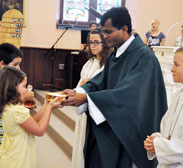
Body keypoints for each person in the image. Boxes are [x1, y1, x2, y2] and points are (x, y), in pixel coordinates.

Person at [60, 7, 167, 168]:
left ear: (124, 29)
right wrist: (79, 92)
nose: (104, 37)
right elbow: (100, 81)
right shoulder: (116, 54)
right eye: (103, 32)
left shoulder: (144, 57)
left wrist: (87, 99)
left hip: (131, 128)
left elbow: (130, 94)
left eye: (108, 32)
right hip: (115, 121)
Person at [0, 67, 61, 168]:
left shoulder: (10, 106)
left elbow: (30, 122)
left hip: (9, 155)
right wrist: (49, 108)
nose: (26, 90)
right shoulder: (17, 110)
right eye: (24, 86)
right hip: (17, 159)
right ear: (12, 87)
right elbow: (40, 130)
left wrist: (45, 105)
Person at [0, 43, 35, 168]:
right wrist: (24, 97)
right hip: (2, 139)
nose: (19, 68)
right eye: (15, 64)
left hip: (7, 138)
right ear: (2, 64)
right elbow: (7, 108)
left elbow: (12, 106)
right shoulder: (0, 83)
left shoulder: (2, 80)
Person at [71, 28, 111, 168]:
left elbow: (107, 87)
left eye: (96, 42)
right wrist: (80, 87)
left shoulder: (108, 64)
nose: (92, 45)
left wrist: (88, 86)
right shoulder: (89, 62)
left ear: (104, 43)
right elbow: (80, 83)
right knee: (80, 143)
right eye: (90, 42)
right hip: (83, 109)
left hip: (96, 111)